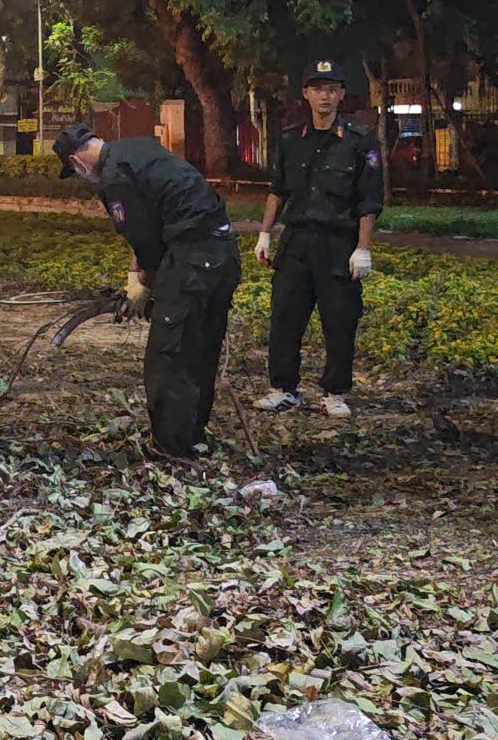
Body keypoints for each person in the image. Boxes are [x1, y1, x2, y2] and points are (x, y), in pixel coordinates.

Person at [54, 122, 239, 457]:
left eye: (75, 170)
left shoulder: (114, 178)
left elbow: (145, 240)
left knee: (168, 357)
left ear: (77, 162)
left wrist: (143, 287)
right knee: (200, 349)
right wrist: (140, 279)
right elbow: (152, 223)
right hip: (222, 252)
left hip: (191, 261)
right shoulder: (138, 148)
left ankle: (171, 449)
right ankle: (193, 437)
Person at [252, 59, 382, 418]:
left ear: (341, 94)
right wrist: (265, 234)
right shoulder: (293, 140)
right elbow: (277, 191)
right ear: (306, 93)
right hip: (296, 242)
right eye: (317, 88)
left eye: (331, 89)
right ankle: (283, 388)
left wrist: (363, 248)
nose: (324, 96)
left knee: (339, 320)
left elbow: (368, 200)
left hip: (338, 243)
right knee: (285, 317)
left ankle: (335, 391)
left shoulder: (358, 142)